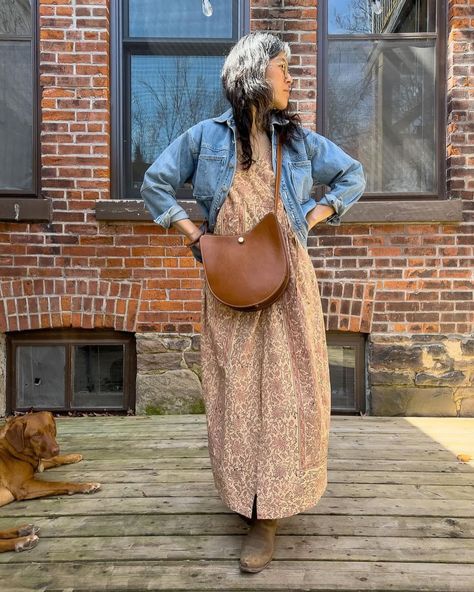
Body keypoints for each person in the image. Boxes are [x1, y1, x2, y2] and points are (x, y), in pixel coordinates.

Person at [141, 31, 366, 574]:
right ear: (254, 76)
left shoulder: (301, 143)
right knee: (238, 390)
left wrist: (313, 217)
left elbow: (352, 175)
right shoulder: (204, 138)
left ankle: (270, 514)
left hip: (289, 281)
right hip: (230, 283)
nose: (291, 79)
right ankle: (249, 500)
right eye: (283, 68)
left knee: (290, 389)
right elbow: (156, 184)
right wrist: (197, 238)